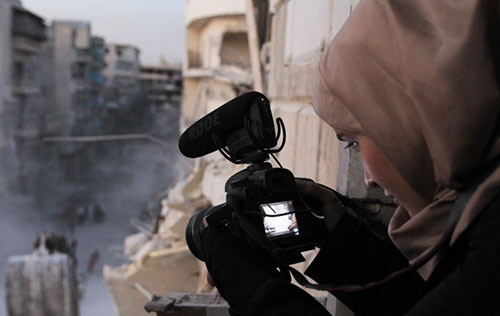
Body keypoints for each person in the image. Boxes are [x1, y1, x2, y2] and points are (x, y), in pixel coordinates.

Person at [200, 0, 500, 315]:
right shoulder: (479, 218)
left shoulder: (490, 252)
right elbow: (427, 298)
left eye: (354, 142)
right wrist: (340, 235)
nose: (368, 179)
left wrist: (252, 289)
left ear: (415, 121)